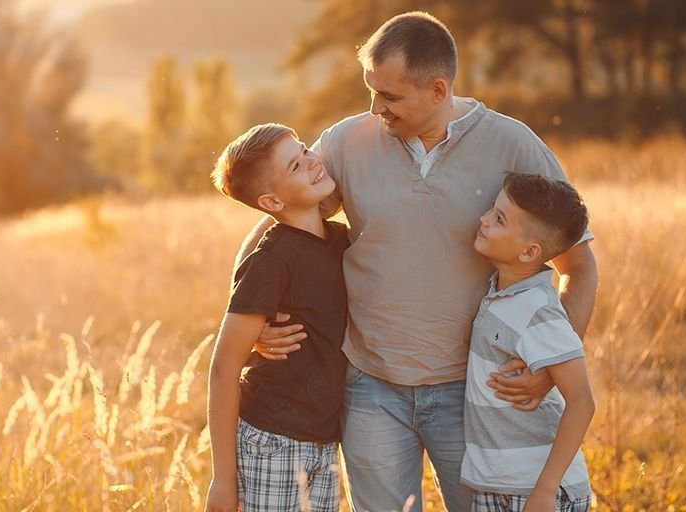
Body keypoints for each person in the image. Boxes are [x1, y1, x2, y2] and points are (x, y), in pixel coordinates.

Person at [239, 11, 598, 512]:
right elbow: (274, 224)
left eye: (389, 96)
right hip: (369, 389)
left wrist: (551, 366)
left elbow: (578, 266)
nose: (374, 107)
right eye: (370, 89)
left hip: (474, 393)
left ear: (437, 89)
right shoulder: (346, 141)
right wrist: (251, 321)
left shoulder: (513, 145)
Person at [205, 123, 350, 512]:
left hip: (323, 442)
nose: (312, 162)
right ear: (270, 202)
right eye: (295, 166)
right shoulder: (271, 262)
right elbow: (223, 368)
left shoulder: (339, 242)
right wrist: (223, 478)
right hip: (272, 442)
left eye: (304, 151)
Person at [463, 172, 594, 511]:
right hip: (496, 484)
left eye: (499, 219)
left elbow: (581, 402)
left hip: (534, 491)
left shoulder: (539, 310)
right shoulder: (501, 294)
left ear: (529, 251)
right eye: (492, 210)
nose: (484, 219)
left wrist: (545, 490)